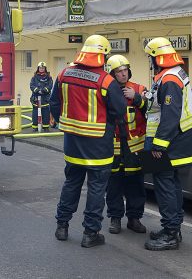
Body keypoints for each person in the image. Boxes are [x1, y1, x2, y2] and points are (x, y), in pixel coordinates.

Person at [49, 35, 126, 248]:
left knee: (71, 182)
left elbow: (53, 103)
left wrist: (65, 121)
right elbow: (119, 111)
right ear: (103, 55)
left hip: (72, 142)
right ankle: (90, 233)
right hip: (99, 144)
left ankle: (62, 226)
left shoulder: (64, 74)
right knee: (96, 188)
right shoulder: (106, 80)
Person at [142, 37, 192, 250]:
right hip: (175, 142)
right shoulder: (173, 74)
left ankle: (170, 233)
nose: (150, 61)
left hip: (166, 144)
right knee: (171, 185)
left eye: (151, 57)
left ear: (157, 58)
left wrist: (158, 146)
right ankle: (173, 228)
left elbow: (170, 116)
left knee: (165, 186)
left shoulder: (170, 79)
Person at [104, 54, 148, 235]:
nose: (123, 74)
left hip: (135, 147)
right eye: (118, 71)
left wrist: (137, 98)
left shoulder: (139, 88)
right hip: (113, 146)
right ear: (112, 74)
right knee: (114, 184)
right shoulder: (106, 90)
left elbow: (153, 109)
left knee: (135, 183)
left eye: (125, 70)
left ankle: (134, 218)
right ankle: (115, 219)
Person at [29, 62, 53, 132]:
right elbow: (31, 85)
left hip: (45, 98)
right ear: (38, 68)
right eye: (40, 68)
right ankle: (35, 127)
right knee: (35, 113)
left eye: (43, 68)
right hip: (36, 98)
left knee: (46, 113)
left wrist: (43, 90)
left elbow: (50, 85)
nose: (41, 69)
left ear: (45, 69)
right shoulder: (34, 77)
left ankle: (45, 127)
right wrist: (37, 90)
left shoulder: (48, 77)